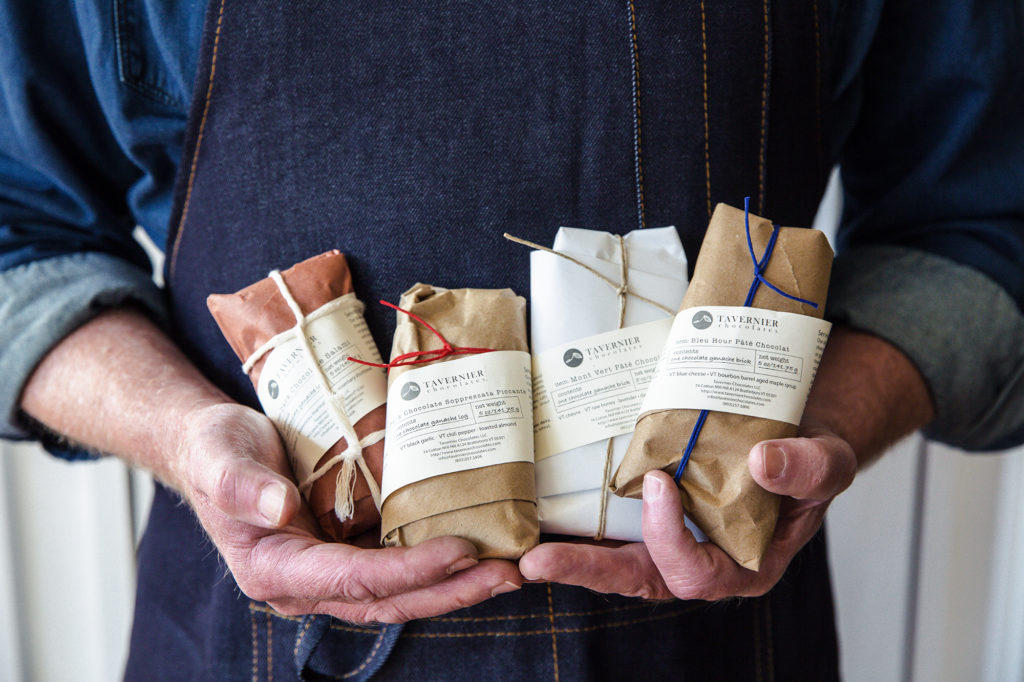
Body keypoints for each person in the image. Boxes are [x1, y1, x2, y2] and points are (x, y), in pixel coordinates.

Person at [2, 0, 1022, 679]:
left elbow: (979, 222)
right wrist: (185, 437)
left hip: (712, 639)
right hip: (249, 639)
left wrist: (820, 431)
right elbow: (18, 230)